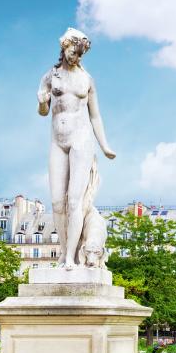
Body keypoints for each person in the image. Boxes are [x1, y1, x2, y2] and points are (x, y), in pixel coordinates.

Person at [38, 28, 115, 269]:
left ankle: (71, 256)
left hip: (81, 140)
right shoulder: (51, 76)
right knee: (57, 203)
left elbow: (96, 116)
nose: (76, 57)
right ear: (64, 48)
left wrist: (104, 146)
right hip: (57, 140)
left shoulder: (87, 80)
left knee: (75, 201)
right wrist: (42, 102)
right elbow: (43, 111)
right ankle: (63, 252)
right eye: (73, 52)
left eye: (80, 54)